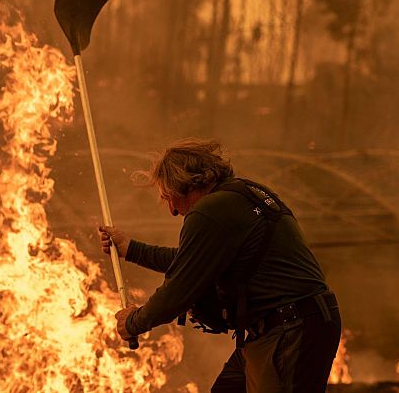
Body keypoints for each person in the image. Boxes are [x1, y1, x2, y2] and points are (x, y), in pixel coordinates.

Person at [99, 139, 341, 393]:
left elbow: (179, 291)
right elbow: (193, 262)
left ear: (184, 185)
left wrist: (133, 322)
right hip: (285, 326)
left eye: (168, 197)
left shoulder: (211, 211)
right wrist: (130, 249)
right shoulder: (239, 195)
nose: (172, 210)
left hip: (290, 330)